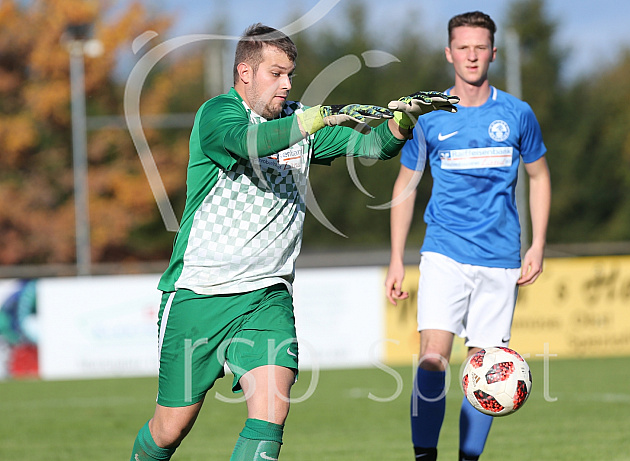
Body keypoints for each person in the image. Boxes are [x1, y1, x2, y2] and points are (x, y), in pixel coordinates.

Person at [129, 23, 458, 461]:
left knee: (271, 414)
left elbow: (373, 145)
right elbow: (250, 143)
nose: (286, 84)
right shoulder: (217, 114)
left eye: (290, 76)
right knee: (170, 429)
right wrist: (314, 118)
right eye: (276, 74)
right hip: (198, 295)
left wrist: (402, 121)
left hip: (267, 296)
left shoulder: (298, 118)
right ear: (245, 73)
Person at [384, 11, 551, 461]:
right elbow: (405, 185)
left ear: (493, 52)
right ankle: (424, 457)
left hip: (501, 257)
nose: (472, 55)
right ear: (449, 52)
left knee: (488, 370)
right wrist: (397, 257)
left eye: (480, 47)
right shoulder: (430, 114)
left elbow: (539, 176)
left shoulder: (517, 114)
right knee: (432, 359)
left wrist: (537, 244)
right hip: (445, 252)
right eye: (463, 47)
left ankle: (467, 459)